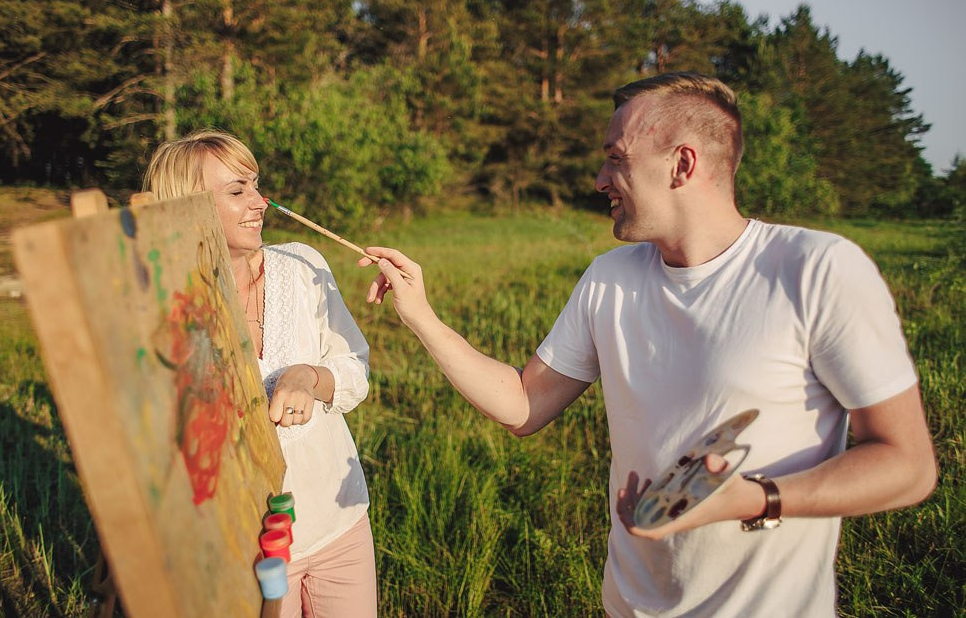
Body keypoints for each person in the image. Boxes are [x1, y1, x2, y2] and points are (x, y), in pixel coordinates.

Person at [359, 73, 937, 616]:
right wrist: (421, 316)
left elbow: (908, 466)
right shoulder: (610, 278)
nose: (599, 180)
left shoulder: (815, 270)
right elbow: (523, 405)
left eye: (615, 159)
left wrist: (752, 499)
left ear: (682, 164)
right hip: (630, 606)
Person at [143, 130, 377, 617]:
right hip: (248, 544)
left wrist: (308, 376)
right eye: (237, 191)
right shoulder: (171, 307)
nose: (260, 203)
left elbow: (354, 369)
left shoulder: (303, 263)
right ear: (187, 207)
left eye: (255, 185)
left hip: (341, 519)